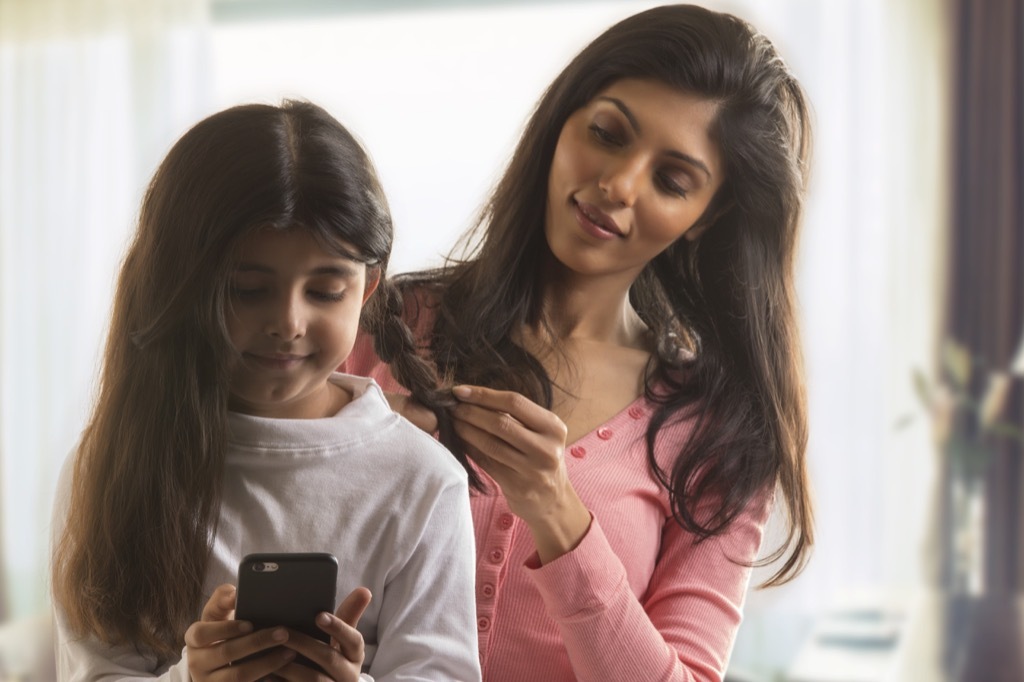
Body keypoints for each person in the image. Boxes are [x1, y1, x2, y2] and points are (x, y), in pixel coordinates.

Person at [342, 4, 814, 681]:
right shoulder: (383, 325)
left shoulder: (721, 433)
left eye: (671, 180)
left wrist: (557, 512)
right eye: (608, 134)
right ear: (562, 122)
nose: (618, 185)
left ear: (705, 219)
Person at [50, 100, 481, 681]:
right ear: (181, 288)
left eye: (325, 290)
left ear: (368, 286)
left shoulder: (423, 482)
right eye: (248, 289)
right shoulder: (110, 467)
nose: (289, 322)